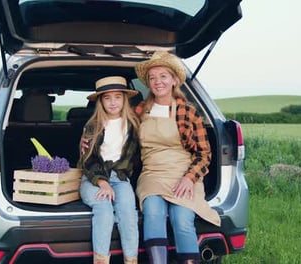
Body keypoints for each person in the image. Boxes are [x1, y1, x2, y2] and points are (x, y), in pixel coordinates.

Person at [133, 51, 221, 264]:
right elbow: (119, 137)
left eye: (163, 76)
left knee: (181, 219)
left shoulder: (188, 112)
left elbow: (204, 153)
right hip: (152, 174)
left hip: (183, 175)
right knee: (153, 212)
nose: (157, 82)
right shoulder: (140, 111)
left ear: (173, 80)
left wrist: (190, 178)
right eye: (152, 78)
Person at [78, 76, 141, 264]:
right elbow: (87, 161)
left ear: (125, 99)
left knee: (128, 213)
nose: (113, 102)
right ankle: (101, 260)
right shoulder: (93, 126)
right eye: (107, 98)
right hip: (93, 179)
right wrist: (103, 183)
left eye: (117, 97)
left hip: (120, 178)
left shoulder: (133, 125)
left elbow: (138, 156)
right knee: (104, 209)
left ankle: (131, 260)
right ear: (100, 102)